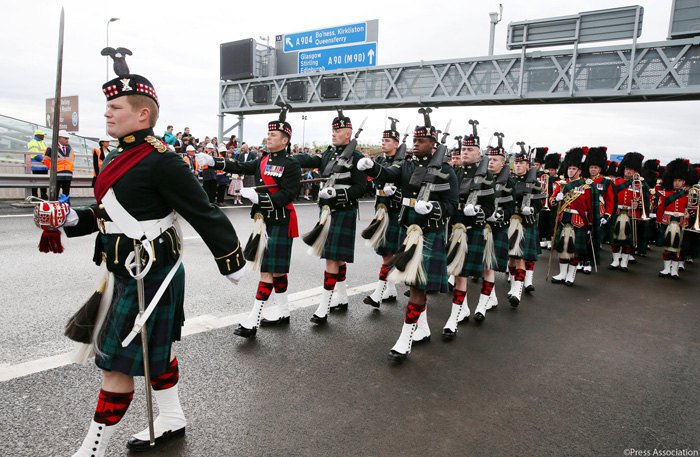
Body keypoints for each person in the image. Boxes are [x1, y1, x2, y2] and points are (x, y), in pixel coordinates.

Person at [54, 55, 246, 456]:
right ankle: (173, 417)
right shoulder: (116, 153)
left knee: (115, 364)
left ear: (142, 115)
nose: (107, 112)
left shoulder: (163, 159)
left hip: (151, 273)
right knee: (155, 354)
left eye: (116, 107)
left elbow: (203, 210)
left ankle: (92, 448)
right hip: (122, 271)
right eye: (107, 106)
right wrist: (70, 217)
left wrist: (230, 258)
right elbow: (109, 214)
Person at [358, 107, 458, 361]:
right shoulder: (407, 165)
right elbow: (389, 173)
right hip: (408, 230)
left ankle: (405, 338)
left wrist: (433, 207)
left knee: (416, 287)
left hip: (429, 233)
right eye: (413, 140)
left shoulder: (447, 170)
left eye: (420, 141)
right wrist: (372, 168)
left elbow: (451, 206)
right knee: (415, 285)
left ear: (433, 144)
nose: (414, 144)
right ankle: (421, 328)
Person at [198, 105, 301, 335]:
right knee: (276, 271)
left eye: (273, 135)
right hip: (264, 220)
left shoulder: (291, 164)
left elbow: (288, 195)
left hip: (281, 220)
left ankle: (252, 320)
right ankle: (283, 312)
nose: (268, 137)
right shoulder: (263, 159)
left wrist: (259, 196)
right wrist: (216, 161)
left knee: (268, 271)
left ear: (284, 140)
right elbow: (241, 166)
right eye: (268, 134)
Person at [294, 110, 367, 324]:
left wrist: (338, 193)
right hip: (327, 211)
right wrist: (289, 157)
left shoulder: (358, 158)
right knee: (336, 257)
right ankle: (342, 297)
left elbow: (361, 188)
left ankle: (324, 305)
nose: (334, 134)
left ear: (349, 133)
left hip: (343, 210)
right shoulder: (327, 154)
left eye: (339, 130)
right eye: (333, 130)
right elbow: (309, 159)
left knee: (331, 258)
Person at [441, 122, 495, 336]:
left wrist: (479, 212)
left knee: (463, 273)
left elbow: (491, 206)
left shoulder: (487, 176)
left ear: (478, 153)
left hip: (472, 227)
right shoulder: (454, 171)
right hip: (454, 225)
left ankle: (454, 317)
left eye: (470, 149)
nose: (465, 152)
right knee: (456, 271)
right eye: (463, 149)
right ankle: (461, 310)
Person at [362, 118, 404, 308]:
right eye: (383, 140)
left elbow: (409, 187)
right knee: (384, 252)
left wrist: (396, 192)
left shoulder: (403, 162)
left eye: (388, 141)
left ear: (396, 144)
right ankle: (391, 290)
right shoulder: (379, 160)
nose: (383, 143)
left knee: (389, 252)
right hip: (381, 209)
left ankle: (378, 293)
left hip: (395, 210)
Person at [550, 147, 600, 286]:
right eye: (569, 168)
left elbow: (592, 208)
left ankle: (570, 276)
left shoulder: (587, 186)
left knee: (575, 251)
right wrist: (556, 199)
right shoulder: (562, 185)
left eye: (573, 169)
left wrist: (590, 224)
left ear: (579, 171)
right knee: (563, 249)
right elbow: (552, 201)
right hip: (563, 220)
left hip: (579, 221)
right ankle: (562, 274)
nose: (570, 171)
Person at [505, 148, 544, 307]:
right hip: (509, 221)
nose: (518, 165)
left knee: (520, 257)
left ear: (528, 166)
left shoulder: (533, 182)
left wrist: (533, 209)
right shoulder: (509, 179)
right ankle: (514, 285)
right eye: (517, 162)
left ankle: (517, 291)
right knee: (511, 259)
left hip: (525, 222)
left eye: (522, 163)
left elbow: (540, 203)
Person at [481, 137, 515, 315]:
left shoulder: (510, 182)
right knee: (484, 267)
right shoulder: (482, 177)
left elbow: (510, 208)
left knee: (489, 266)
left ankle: (486, 300)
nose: (491, 162)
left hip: (498, 228)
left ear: (503, 163)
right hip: (482, 226)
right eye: (489, 159)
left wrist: (499, 215)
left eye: (495, 160)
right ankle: (491, 297)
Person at [609, 152, 649, 272]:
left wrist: (639, 205)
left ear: (636, 171)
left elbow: (646, 202)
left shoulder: (641, 184)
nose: (628, 171)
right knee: (615, 238)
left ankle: (625, 262)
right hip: (617, 212)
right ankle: (615, 261)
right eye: (627, 169)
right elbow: (609, 199)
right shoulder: (615, 182)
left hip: (632, 214)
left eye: (631, 169)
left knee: (628, 240)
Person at [656, 158, 692, 279]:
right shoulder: (665, 194)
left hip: (681, 222)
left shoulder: (688, 195)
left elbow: (692, 209)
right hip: (667, 221)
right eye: (675, 180)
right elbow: (660, 209)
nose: (676, 183)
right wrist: (659, 221)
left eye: (679, 180)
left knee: (678, 248)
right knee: (667, 247)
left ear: (684, 182)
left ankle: (674, 270)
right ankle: (666, 269)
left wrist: (689, 215)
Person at [581, 146, 615, 273]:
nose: (593, 169)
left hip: (598, 214)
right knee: (582, 238)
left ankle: (589, 262)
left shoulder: (606, 182)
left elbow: (610, 201)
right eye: (591, 167)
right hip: (583, 214)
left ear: (600, 168)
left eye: (595, 167)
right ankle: (581, 260)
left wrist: (606, 216)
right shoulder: (583, 180)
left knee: (593, 239)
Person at [538, 152, 560, 250]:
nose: (550, 171)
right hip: (544, 203)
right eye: (549, 169)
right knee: (543, 222)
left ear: (555, 170)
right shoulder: (544, 177)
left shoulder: (558, 180)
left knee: (552, 223)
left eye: (552, 170)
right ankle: (543, 239)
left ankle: (550, 240)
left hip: (553, 205)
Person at [44, 130, 74, 200]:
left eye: (68, 138)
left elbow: (71, 161)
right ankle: (54, 207)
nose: (67, 140)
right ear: (59, 138)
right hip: (57, 175)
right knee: (55, 194)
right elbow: (46, 160)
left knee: (66, 195)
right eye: (65, 138)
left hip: (68, 175)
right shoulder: (51, 148)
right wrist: (54, 169)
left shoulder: (70, 149)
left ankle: (66, 207)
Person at [27, 129, 48, 199]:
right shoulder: (32, 142)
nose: (43, 136)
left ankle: (44, 196)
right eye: (42, 135)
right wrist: (45, 160)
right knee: (36, 182)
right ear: (38, 135)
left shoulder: (43, 143)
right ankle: (34, 196)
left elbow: (47, 153)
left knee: (44, 182)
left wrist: (46, 160)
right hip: (37, 166)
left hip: (44, 166)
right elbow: (34, 155)